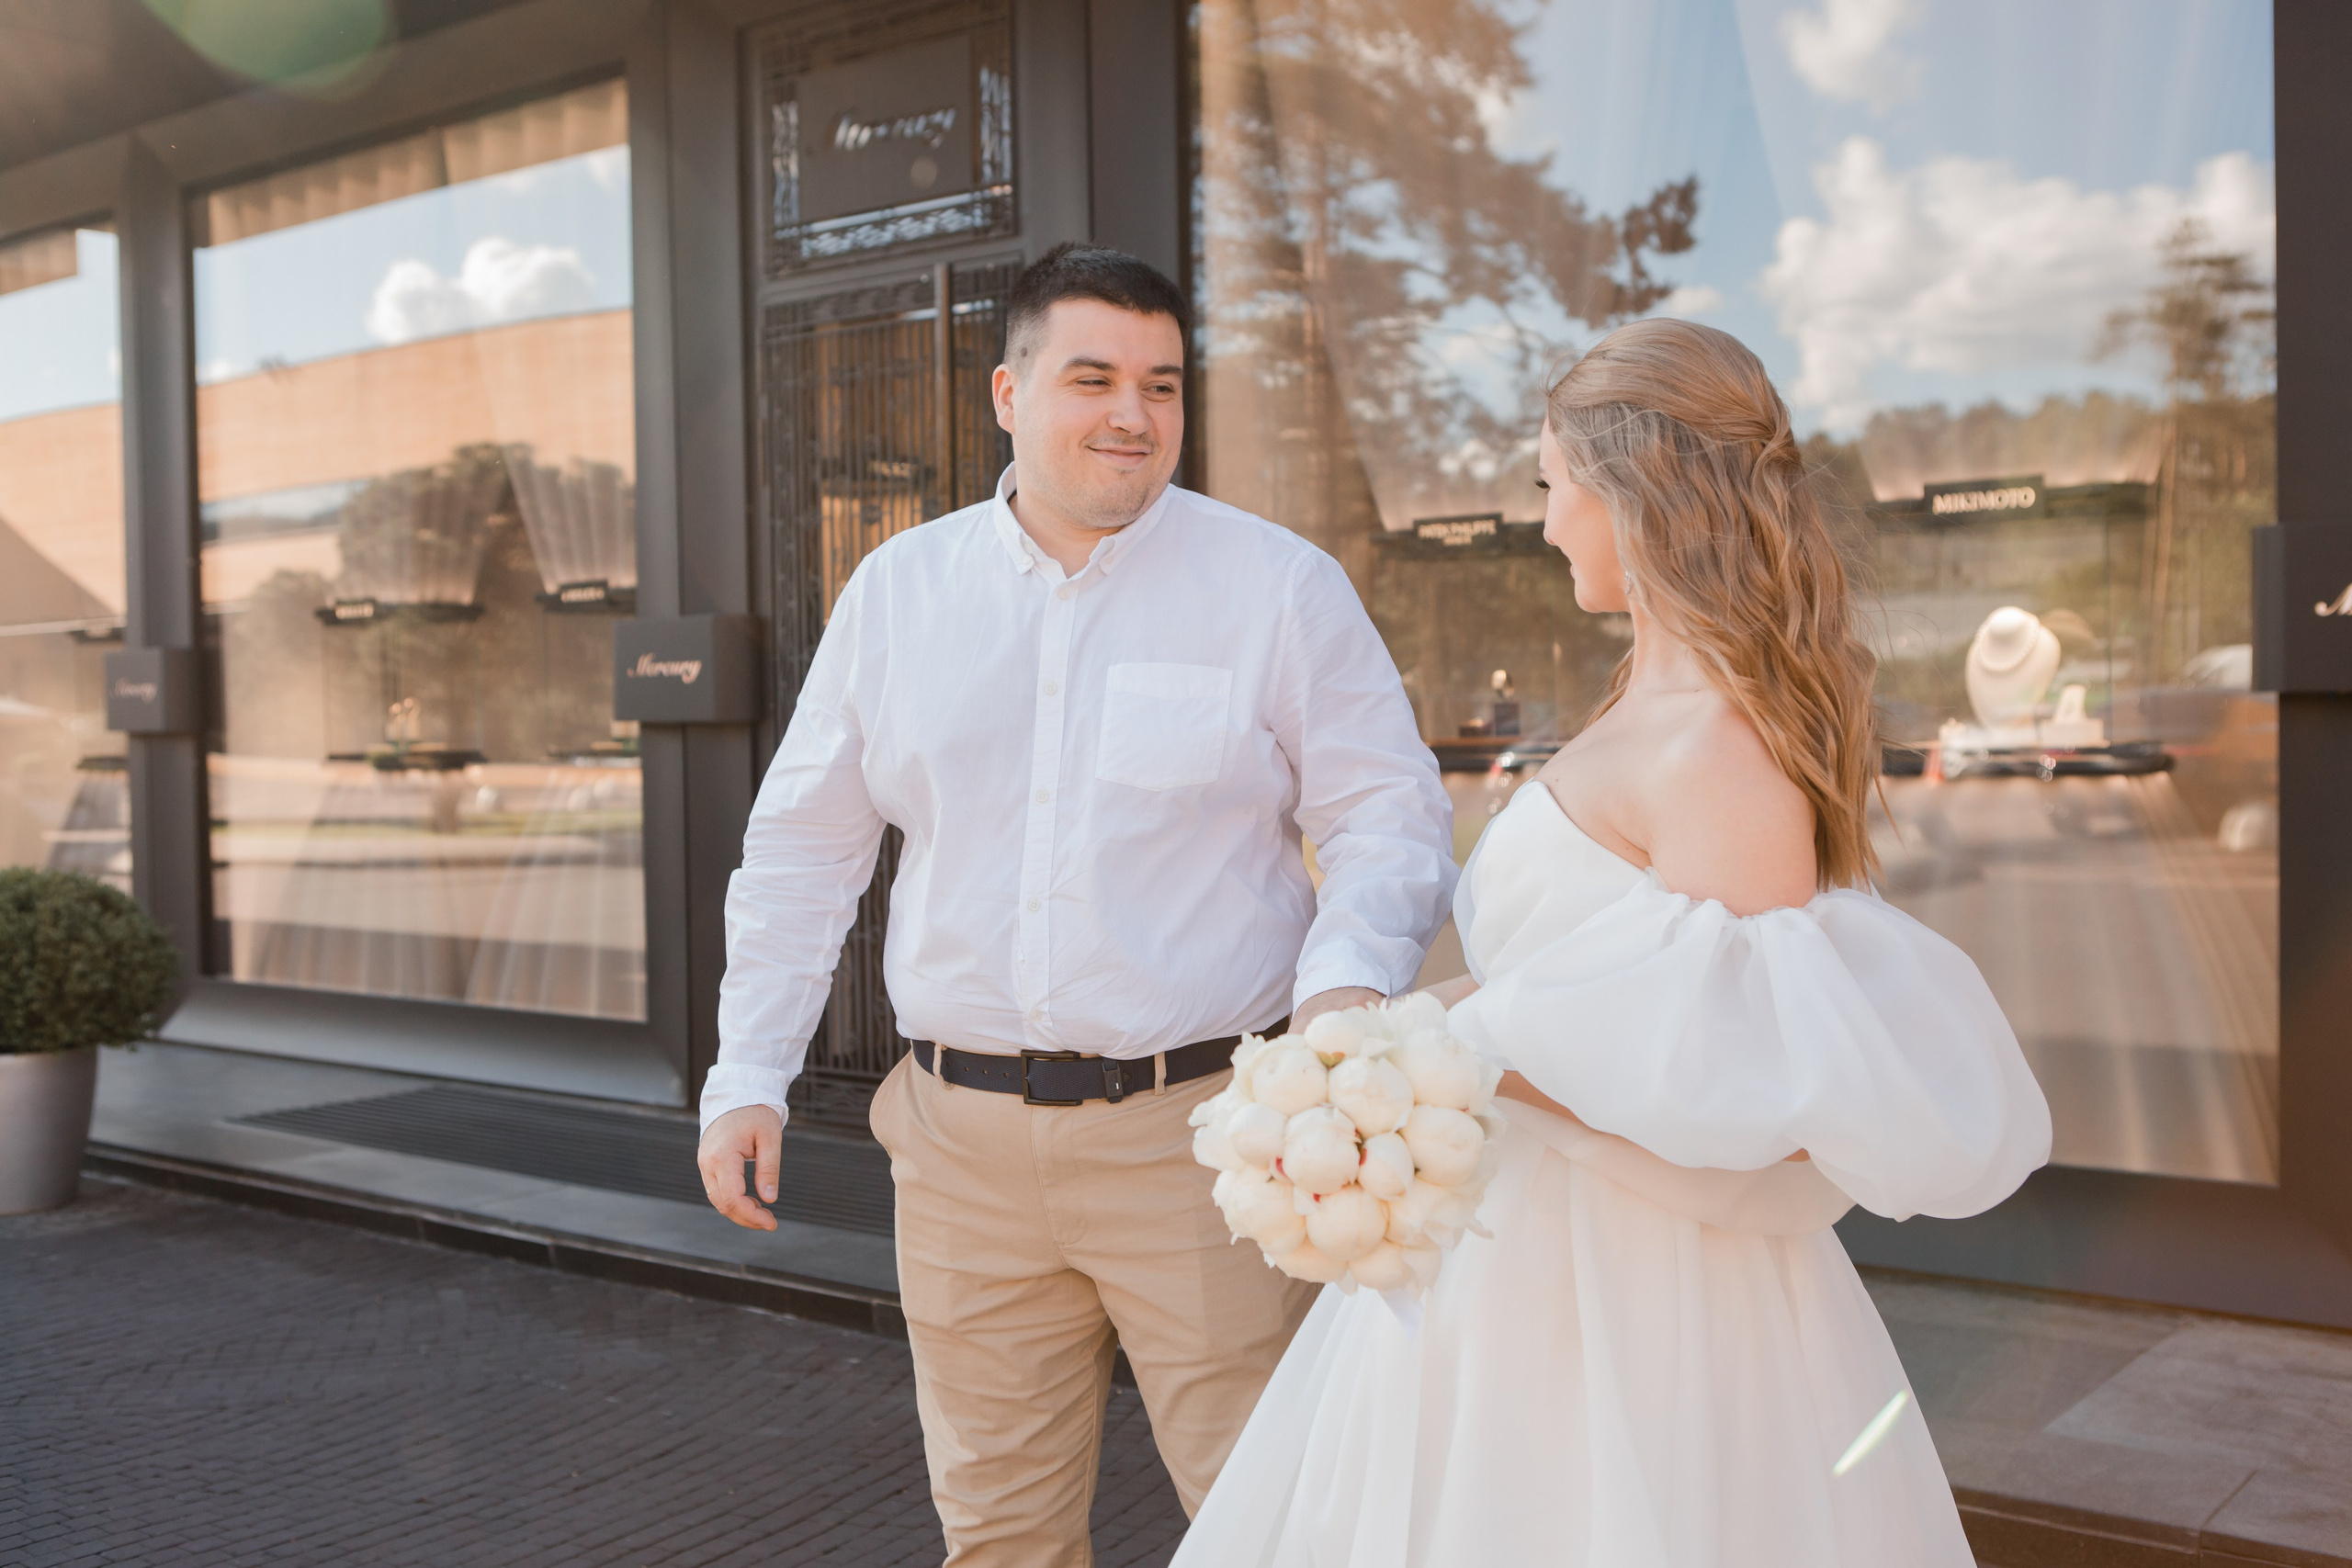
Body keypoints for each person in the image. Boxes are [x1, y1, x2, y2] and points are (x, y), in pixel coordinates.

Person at [1172, 318, 2052, 1567]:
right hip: (1510, 1250)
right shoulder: (1645, 700)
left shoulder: (1721, 745)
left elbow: (1738, 1077)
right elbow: (1585, 982)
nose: (1543, 523)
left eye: (1551, 485)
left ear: (1627, 492)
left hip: (1639, 1294)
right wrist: (1386, 1049)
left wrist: (1450, 1058)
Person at [695, 243, 1457, 1567]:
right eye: (1092, 378)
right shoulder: (898, 593)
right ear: (1006, 391)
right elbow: (805, 852)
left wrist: (1341, 1002)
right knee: (995, 1535)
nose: (1132, 415)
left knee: (1280, 1522)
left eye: (1161, 386)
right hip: (958, 1151)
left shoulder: (1274, 587)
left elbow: (1386, 817)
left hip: (1209, 1141)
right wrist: (748, 1070)